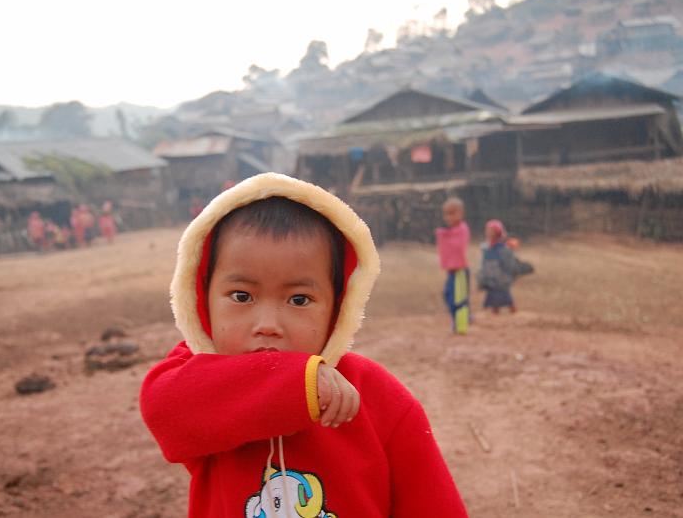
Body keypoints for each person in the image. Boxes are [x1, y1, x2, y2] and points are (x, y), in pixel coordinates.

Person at [139, 173, 467, 517]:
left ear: (339, 305)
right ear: (201, 297)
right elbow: (162, 411)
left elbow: (433, 504)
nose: (267, 325)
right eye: (241, 296)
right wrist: (299, 383)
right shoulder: (195, 382)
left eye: (298, 299)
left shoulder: (377, 396)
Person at [435, 197, 471, 334]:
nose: (448, 217)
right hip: (451, 272)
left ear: (461, 213)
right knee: (448, 295)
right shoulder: (450, 231)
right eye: (446, 214)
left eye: (452, 213)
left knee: (460, 300)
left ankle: (461, 327)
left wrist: (444, 235)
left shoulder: (462, 229)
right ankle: (458, 321)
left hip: (460, 271)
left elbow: (457, 244)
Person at [477, 219, 518, 314]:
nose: (488, 232)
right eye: (487, 230)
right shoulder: (486, 248)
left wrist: (508, 276)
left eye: (490, 230)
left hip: (501, 280)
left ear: (497, 232)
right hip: (491, 280)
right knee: (493, 301)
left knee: (507, 299)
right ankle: (495, 317)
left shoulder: (503, 248)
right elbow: (483, 264)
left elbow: (509, 264)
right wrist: (482, 278)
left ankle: (514, 314)